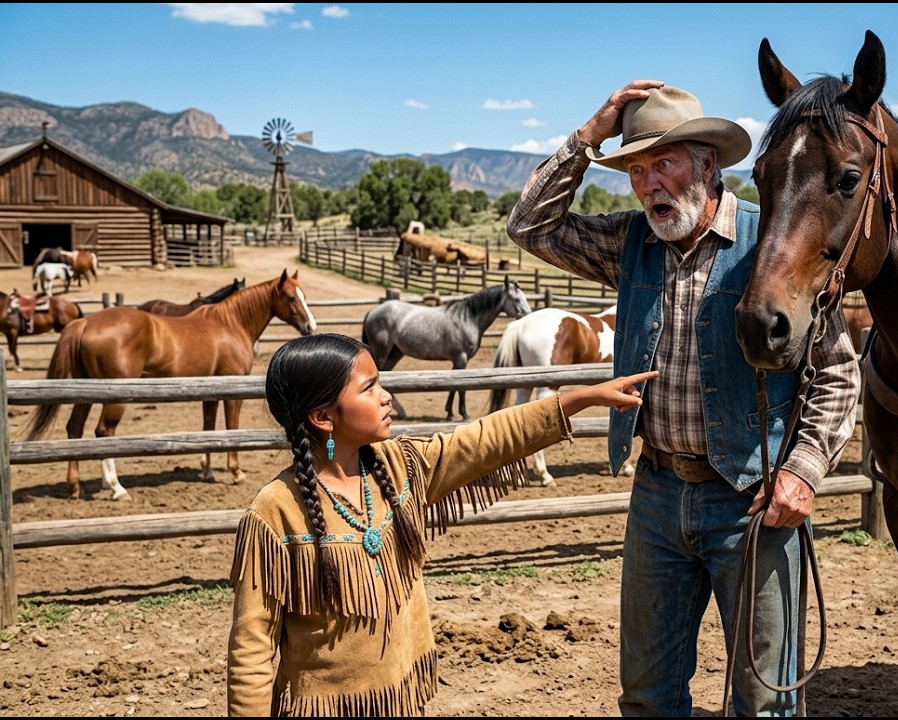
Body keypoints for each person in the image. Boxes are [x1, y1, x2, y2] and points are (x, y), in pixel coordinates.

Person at [507, 82, 861, 716]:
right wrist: (590, 135)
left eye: (661, 164)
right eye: (636, 171)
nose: (647, 185)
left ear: (706, 164)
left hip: (754, 502)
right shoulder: (630, 243)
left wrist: (804, 473)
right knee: (647, 694)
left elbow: (837, 374)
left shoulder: (770, 242)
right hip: (658, 495)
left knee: (765, 699)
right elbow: (530, 225)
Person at [226, 332, 657, 716]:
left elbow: (485, 439)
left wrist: (576, 399)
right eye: (370, 387)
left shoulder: (403, 467)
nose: (385, 396)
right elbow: (252, 647)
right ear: (323, 418)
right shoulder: (274, 512)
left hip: (401, 701)